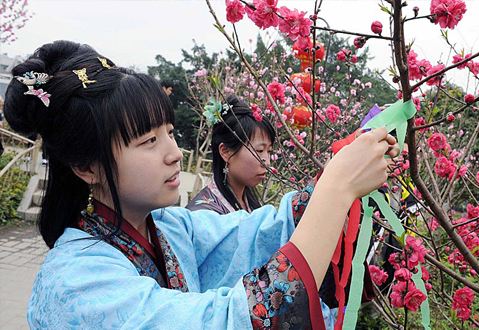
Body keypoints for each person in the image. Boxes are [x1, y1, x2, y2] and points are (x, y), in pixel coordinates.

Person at [4, 40, 397, 329]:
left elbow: (265, 231)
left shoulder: (173, 227)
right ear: (86, 167)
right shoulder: (76, 283)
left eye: (170, 132)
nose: (173, 152)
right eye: (148, 141)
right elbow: (229, 320)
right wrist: (336, 189)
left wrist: (337, 178)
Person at [186, 95, 275, 213]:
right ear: (225, 152)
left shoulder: (250, 203)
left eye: (269, 151)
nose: (267, 163)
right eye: (259, 151)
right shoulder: (204, 214)